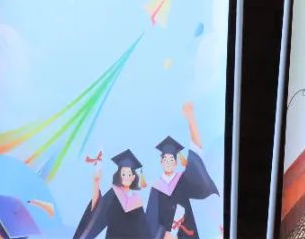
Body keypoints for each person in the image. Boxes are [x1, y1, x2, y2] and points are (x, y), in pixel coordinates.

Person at [144, 102, 219, 239]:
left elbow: (196, 158)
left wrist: (191, 120)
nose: (168, 163)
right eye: (165, 160)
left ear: (176, 162)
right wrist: (163, 234)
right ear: (161, 162)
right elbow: (151, 220)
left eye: (171, 159)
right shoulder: (156, 189)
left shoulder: (183, 180)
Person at [74, 149, 150, 239]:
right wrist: (96, 182)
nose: (126, 177)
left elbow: (143, 228)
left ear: (133, 177)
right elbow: (98, 211)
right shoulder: (113, 194)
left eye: (129, 174)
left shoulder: (136, 200)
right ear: (119, 175)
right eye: (123, 174)